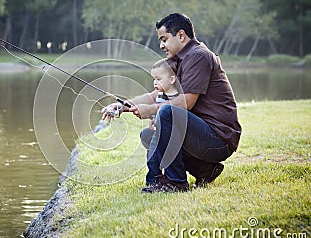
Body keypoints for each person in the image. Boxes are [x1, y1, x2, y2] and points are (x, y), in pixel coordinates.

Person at [102, 13, 241, 193]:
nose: (161, 45)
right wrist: (123, 106)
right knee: (149, 136)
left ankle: (176, 183)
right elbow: (156, 94)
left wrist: (151, 110)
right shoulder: (181, 59)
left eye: (164, 39)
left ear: (181, 35)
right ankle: (205, 170)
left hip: (219, 138)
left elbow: (187, 102)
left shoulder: (198, 56)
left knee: (167, 113)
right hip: (202, 134)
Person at [141, 58, 181, 186]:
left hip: (171, 136)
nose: (155, 83)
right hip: (158, 133)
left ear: (171, 79)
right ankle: (154, 180)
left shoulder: (177, 97)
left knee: (154, 156)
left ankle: (153, 181)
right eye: (153, 79)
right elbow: (158, 112)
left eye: (158, 79)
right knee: (152, 157)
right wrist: (153, 119)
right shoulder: (160, 94)